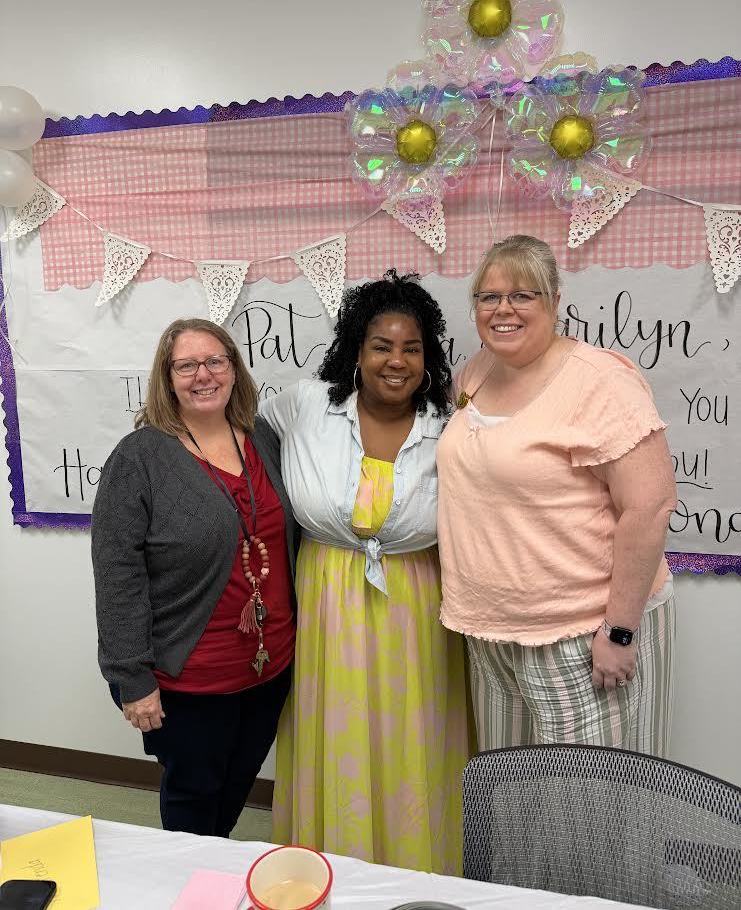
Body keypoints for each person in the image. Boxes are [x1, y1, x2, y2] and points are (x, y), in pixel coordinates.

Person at [260, 270, 470, 874]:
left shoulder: (449, 425)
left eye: (412, 347)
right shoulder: (304, 405)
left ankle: (416, 862)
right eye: (381, 345)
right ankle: (334, 864)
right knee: (337, 734)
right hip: (325, 595)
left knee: (413, 737)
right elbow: (237, 431)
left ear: (428, 357)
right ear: (356, 350)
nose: (396, 361)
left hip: (417, 602)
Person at [437, 235, 677, 756]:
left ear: (554, 300)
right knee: (516, 795)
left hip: (580, 633)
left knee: (592, 805)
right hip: (491, 630)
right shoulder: (477, 372)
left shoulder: (600, 381)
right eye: (489, 296)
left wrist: (619, 631)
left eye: (523, 295)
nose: (504, 309)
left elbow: (650, 507)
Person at [91, 318, 298, 837]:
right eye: (186, 365)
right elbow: (117, 573)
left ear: (234, 369)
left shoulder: (262, 437)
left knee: (233, 789)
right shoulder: (139, 457)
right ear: (167, 378)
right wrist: (131, 680)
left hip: (268, 669)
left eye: (215, 361)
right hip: (190, 679)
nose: (202, 375)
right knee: (192, 801)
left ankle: (212, 875)